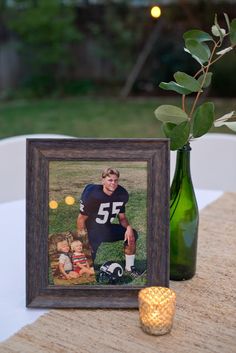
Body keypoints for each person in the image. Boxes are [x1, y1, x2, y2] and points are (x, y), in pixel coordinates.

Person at [77, 167, 139, 278]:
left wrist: (128, 228)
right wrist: (84, 241)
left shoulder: (122, 193)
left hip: (107, 228)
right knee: (83, 272)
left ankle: (129, 268)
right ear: (103, 181)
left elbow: (122, 218)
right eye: (110, 180)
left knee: (132, 234)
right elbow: (81, 219)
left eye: (116, 180)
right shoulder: (93, 195)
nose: (113, 183)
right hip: (92, 231)